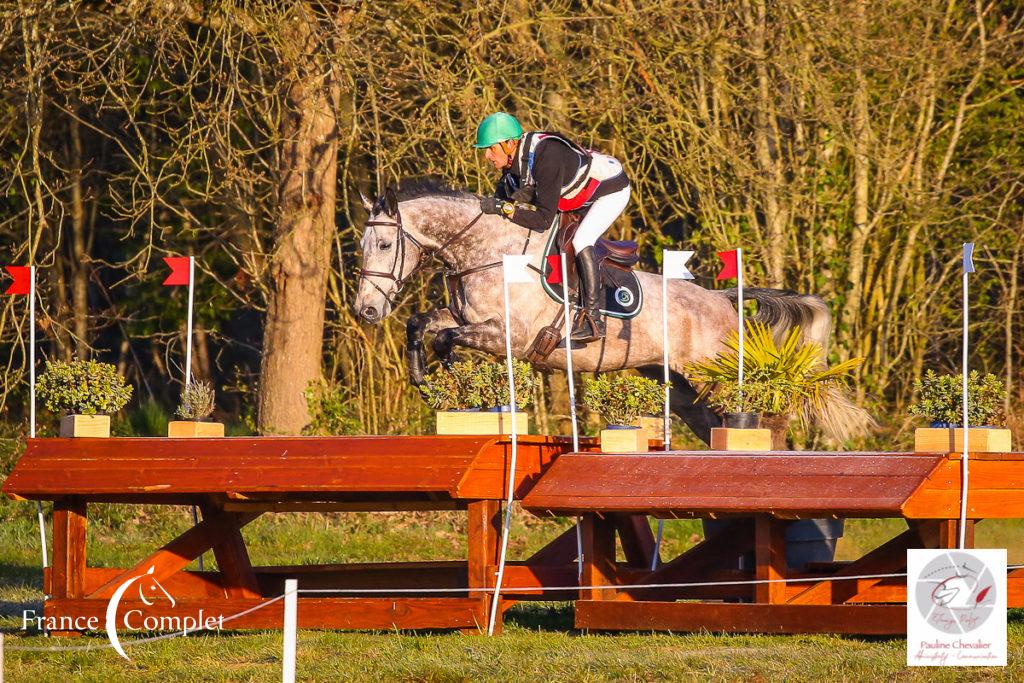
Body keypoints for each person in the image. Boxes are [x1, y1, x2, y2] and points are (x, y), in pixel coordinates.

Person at [474, 112, 631, 343]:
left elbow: (543, 219)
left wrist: (504, 210)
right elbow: (507, 195)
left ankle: (593, 320)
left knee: (581, 240)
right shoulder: (514, 159)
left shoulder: (547, 157)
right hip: (578, 195)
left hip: (610, 190)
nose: (487, 155)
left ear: (509, 144)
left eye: (490, 149)